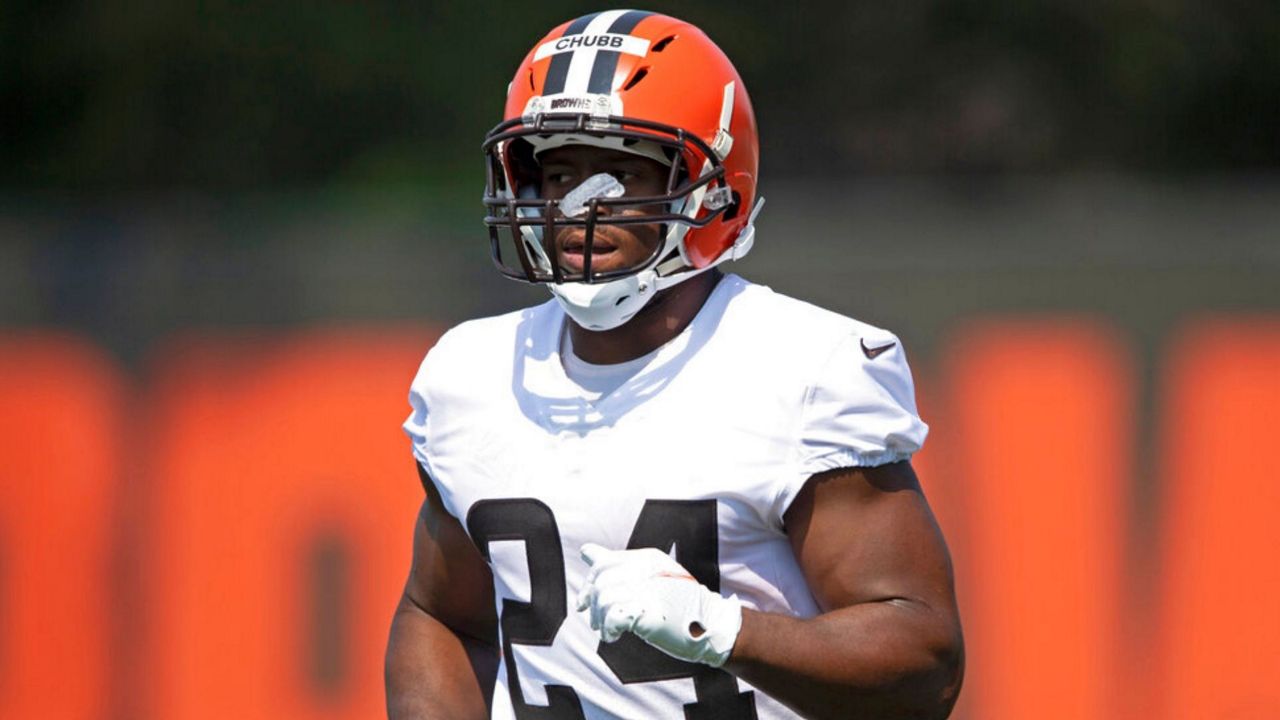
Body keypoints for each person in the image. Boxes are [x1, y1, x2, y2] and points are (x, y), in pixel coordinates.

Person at [386, 10, 963, 720]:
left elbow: (923, 665)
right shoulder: (471, 374)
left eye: (621, 172)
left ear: (714, 187)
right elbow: (443, 615)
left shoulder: (804, 369)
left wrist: (721, 630)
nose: (579, 207)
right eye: (559, 171)